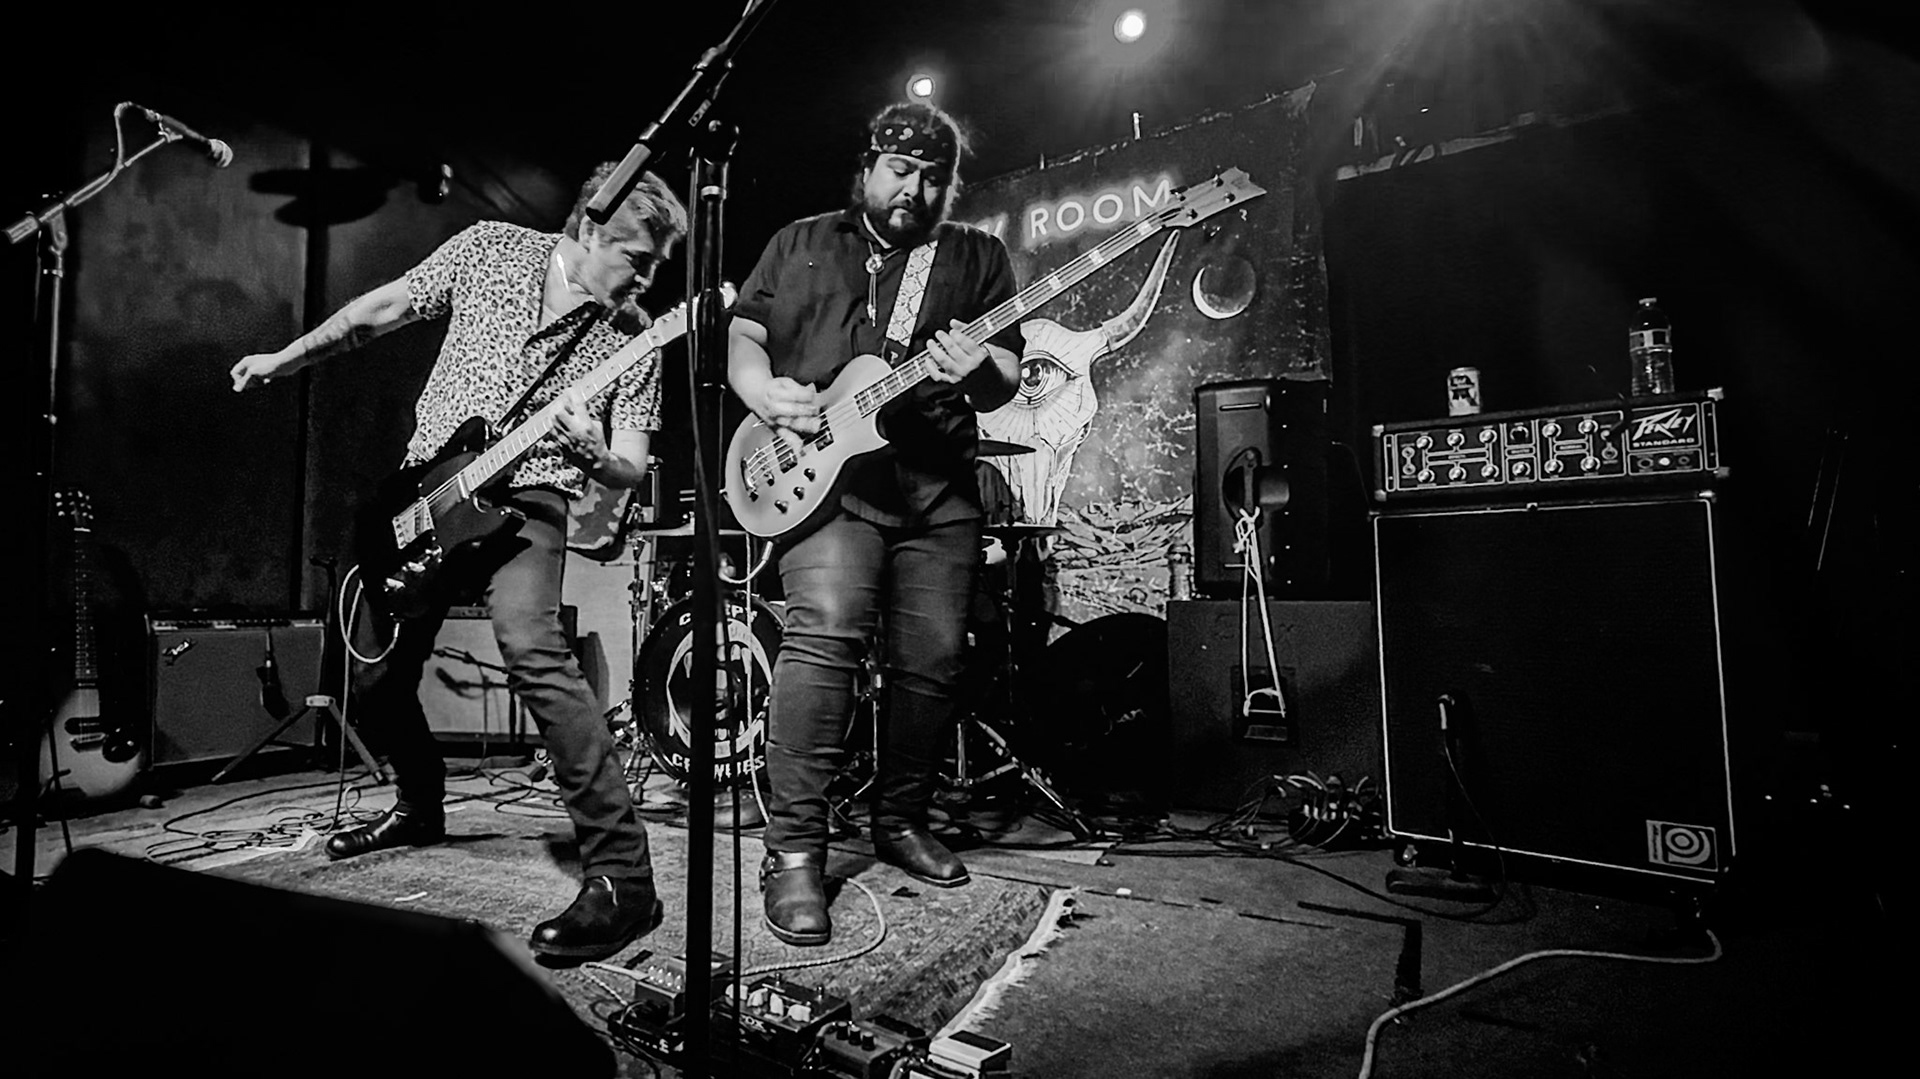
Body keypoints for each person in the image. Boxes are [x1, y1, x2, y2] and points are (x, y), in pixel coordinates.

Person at [230, 164, 688, 965]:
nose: (646, 279)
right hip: (425, 492)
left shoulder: (635, 336)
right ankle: (418, 803)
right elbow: (378, 312)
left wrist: (597, 456)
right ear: (589, 228)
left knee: (532, 643)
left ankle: (623, 876)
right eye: (637, 259)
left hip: (531, 499)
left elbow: (630, 462)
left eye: (656, 267)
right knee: (374, 673)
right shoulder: (489, 250)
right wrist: (284, 357)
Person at [727, 102, 1024, 945]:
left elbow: (1006, 374)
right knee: (824, 634)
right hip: (829, 481)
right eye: (900, 170)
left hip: (937, 486)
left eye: (933, 178)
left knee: (932, 658)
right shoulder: (799, 241)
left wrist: (978, 370)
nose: (914, 190)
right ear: (866, 167)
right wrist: (761, 391)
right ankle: (794, 850)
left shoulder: (976, 255)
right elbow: (744, 334)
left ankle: (900, 819)